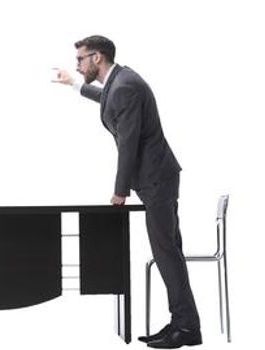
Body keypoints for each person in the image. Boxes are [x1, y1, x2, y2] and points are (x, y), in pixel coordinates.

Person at [51, 35, 197, 349]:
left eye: (80, 60)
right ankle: (184, 324)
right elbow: (109, 101)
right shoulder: (120, 81)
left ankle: (185, 328)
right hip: (156, 178)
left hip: (155, 179)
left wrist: (120, 191)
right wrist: (74, 85)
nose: (78, 65)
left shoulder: (125, 85)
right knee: (169, 252)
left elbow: (128, 144)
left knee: (166, 253)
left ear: (97, 57)